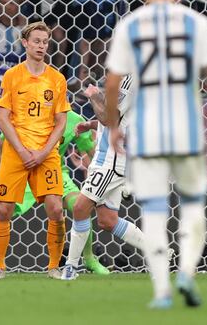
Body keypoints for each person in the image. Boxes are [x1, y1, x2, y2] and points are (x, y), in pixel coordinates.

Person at [104, 0, 207, 308]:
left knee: (155, 209)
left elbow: (112, 83)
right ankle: (187, 272)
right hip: (188, 128)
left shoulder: (130, 25)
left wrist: (114, 127)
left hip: (148, 131)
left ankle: (162, 291)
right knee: (192, 204)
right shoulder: (195, 22)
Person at [0, 109, 108, 276]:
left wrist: (105, 178)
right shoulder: (29, 112)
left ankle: (89, 259)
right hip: (21, 170)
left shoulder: (74, 119)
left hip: (54, 172)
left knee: (80, 206)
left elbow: (91, 151)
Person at [0, 21, 70, 280]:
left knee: (56, 209)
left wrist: (44, 152)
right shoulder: (12, 75)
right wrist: (23, 151)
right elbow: (3, 118)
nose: (41, 46)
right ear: (25, 43)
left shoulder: (57, 79)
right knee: (3, 210)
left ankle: (54, 267)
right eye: (36, 41)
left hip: (46, 153)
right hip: (16, 152)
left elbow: (61, 122)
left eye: (45, 42)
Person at [61, 78, 146, 279]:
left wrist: (94, 96)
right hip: (105, 159)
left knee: (81, 207)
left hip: (111, 161)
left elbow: (110, 119)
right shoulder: (123, 76)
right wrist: (90, 124)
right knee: (108, 220)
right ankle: (159, 252)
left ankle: (70, 268)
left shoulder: (131, 80)